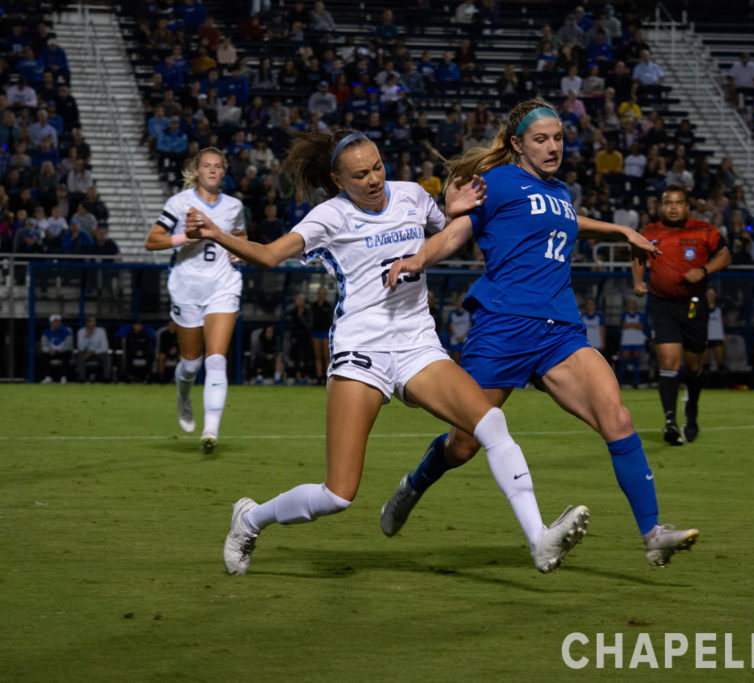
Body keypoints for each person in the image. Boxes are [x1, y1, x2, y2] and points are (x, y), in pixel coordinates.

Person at [187, 128, 588, 575]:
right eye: (361, 174)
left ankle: (539, 539)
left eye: (378, 166)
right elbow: (267, 255)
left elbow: (450, 232)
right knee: (338, 493)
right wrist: (214, 233)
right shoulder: (329, 217)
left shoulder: (412, 196)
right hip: (362, 351)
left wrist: (449, 210)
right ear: (340, 181)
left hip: (417, 343)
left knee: (490, 422)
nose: (375, 179)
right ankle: (250, 518)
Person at [382, 99, 699, 566]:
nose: (553, 148)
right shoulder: (496, 182)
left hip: (561, 331)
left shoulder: (561, 192)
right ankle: (415, 483)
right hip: (503, 326)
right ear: (517, 144)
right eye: (541, 140)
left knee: (620, 420)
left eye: (559, 139)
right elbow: (455, 233)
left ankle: (653, 534)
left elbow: (566, 221)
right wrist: (418, 259)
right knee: (464, 443)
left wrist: (617, 231)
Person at [144, 147, 246, 454]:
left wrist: (237, 249)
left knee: (216, 358)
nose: (213, 170)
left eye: (218, 166)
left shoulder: (234, 206)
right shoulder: (180, 203)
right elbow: (152, 240)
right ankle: (183, 397)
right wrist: (186, 238)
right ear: (197, 171)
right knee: (191, 363)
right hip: (187, 287)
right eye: (207, 166)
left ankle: (210, 431)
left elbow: (241, 235)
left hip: (223, 286)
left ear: (223, 172)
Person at [632, 185, 731, 444]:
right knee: (668, 361)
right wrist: (638, 282)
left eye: (678, 203)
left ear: (688, 206)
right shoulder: (649, 232)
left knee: (695, 364)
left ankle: (692, 409)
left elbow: (725, 256)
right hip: (662, 304)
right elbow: (638, 256)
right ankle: (670, 422)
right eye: (668, 203)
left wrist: (704, 270)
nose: (673, 207)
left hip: (694, 304)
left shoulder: (704, 229)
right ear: (660, 206)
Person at [617, 298, 647, 389]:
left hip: (637, 340)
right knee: (624, 362)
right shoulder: (624, 315)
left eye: (633, 303)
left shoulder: (640, 315)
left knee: (636, 362)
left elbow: (640, 326)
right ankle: (620, 382)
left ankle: (636, 382)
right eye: (630, 303)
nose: (632, 305)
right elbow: (623, 326)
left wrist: (629, 325)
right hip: (626, 341)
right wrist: (635, 325)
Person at [702, 288, 727, 388]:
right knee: (706, 361)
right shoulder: (701, 308)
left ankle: (722, 384)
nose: (709, 296)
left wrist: (725, 336)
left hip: (717, 337)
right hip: (705, 337)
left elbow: (724, 323)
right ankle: (706, 385)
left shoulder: (720, 309)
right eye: (707, 294)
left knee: (720, 360)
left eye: (711, 295)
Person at [75, 315, 111, 382]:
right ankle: (81, 379)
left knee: (107, 357)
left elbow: (105, 347)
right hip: (85, 353)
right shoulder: (81, 332)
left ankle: (106, 378)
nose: (91, 324)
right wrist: (87, 337)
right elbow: (80, 347)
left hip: (98, 353)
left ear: (95, 323)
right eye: (89, 322)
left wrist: (93, 352)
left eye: (92, 322)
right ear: (86, 323)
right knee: (80, 356)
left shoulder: (101, 331)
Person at [39, 313, 72, 383]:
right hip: (51, 352)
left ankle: (63, 377)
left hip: (62, 352)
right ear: (51, 323)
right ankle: (48, 377)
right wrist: (49, 351)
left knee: (67, 354)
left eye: (58, 321)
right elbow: (44, 346)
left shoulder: (67, 331)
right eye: (55, 322)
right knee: (43, 355)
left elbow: (69, 345)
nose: (57, 324)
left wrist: (58, 350)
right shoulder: (46, 332)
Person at [311, 286, 333, 384]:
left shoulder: (328, 306)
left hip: (325, 332)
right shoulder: (314, 305)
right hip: (316, 332)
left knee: (326, 355)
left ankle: (327, 376)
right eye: (320, 292)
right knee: (317, 355)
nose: (321, 294)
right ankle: (319, 377)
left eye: (323, 293)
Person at [446, 294, 472, 364]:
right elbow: (451, 327)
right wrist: (457, 337)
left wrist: (463, 337)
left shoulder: (469, 313)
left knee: (465, 361)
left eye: (463, 299)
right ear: (457, 301)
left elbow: (469, 326)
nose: (461, 301)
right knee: (456, 361)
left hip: (465, 339)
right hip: (455, 339)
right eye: (460, 299)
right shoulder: (452, 313)